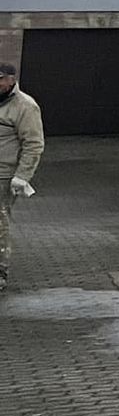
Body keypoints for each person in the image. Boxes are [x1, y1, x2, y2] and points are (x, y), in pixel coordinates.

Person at [0, 61, 45, 292]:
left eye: (0, 79)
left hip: (4, 175)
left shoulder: (25, 106)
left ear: (11, 80)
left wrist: (22, 176)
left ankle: (1, 271)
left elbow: (34, 144)